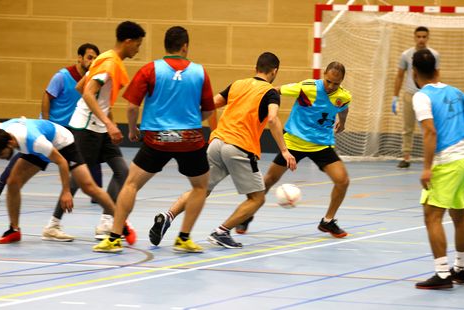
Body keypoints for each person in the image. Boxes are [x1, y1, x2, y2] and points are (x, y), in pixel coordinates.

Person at [146, 52, 297, 250]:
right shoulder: (270, 92)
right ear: (275, 71)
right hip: (240, 147)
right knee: (257, 198)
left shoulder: (237, 84)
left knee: (201, 190)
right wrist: (284, 150)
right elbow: (272, 119)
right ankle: (222, 232)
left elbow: (210, 104)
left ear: (256, 68)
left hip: (216, 143)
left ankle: (167, 216)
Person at [92, 26, 215, 253]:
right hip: (190, 139)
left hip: (156, 138)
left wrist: (132, 129)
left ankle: (113, 239)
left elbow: (131, 107)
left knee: (130, 184)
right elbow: (208, 111)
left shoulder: (150, 69)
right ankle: (183, 238)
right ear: (185, 46)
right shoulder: (200, 72)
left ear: (165, 46)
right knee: (200, 187)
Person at [235, 62, 351, 237]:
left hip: (321, 144)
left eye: (336, 83)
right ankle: (246, 215)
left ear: (341, 81)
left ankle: (327, 221)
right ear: (323, 75)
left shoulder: (343, 96)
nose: (331, 86)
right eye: (328, 81)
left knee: (342, 181)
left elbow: (343, 108)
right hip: (294, 142)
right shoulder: (307, 87)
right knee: (269, 180)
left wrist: (343, 121)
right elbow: (275, 90)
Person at [0, 118, 132, 245]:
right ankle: (14, 230)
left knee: (89, 187)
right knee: (13, 182)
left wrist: (66, 191)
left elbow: (61, 162)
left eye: (0, 154)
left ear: (9, 144)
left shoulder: (34, 140)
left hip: (63, 144)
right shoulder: (1, 130)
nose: (1, 158)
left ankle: (121, 223)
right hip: (37, 149)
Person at [0, 44, 103, 205]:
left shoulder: (92, 80)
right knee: (23, 156)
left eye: (96, 58)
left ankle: (97, 193)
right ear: (79, 58)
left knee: (90, 153)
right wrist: (46, 121)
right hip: (50, 126)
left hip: (71, 129)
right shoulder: (62, 76)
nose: (93, 60)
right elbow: (47, 97)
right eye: (90, 57)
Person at [411, 49, 464, 289]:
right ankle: (460, 270)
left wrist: (427, 168)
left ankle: (442, 274)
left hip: (448, 160)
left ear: (414, 73)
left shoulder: (422, 96)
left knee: (432, 215)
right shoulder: (457, 92)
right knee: (459, 214)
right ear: (437, 71)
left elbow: (431, 132)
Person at [69, 21, 145, 241]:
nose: (138, 50)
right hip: (87, 127)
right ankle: (53, 224)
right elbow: (87, 93)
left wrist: (108, 121)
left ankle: (105, 222)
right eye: (137, 44)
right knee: (80, 180)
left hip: (99, 126)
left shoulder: (106, 59)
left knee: (123, 172)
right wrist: (109, 123)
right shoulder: (109, 63)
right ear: (128, 41)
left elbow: (80, 86)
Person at [392, 26, 440, 168]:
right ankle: (406, 157)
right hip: (410, 95)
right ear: (414, 37)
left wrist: (437, 92)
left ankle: (434, 157)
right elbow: (400, 76)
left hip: (428, 95)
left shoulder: (434, 55)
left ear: (428, 38)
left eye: (424, 37)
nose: (421, 39)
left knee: (430, 127)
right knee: (407, 127)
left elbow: (436, 75)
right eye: (418, 36)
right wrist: (395, 97)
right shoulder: (406, 55)